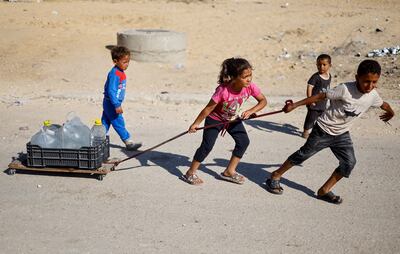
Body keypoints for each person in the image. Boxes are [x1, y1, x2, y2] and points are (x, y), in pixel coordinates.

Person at [265, 59, 394, 204]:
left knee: (349, 163)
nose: (370, 86)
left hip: (342, 134)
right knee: (302, 155)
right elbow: (321, 96)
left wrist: (391, 112)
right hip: (323, 130)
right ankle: (275, 175)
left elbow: (383, 104)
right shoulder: (345, 89)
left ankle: (324, 190)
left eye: (374, 82)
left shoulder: (373, 95)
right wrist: (295, 105)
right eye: (366, 81)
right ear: (357, 77)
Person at [182, 57, 267, 185]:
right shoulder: (223, 90)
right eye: (245, 77)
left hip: (233, 119)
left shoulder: (250, 87)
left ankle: (229, 171)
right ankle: (190, 173)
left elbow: (263, 101)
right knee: (207, 146)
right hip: (215, 120)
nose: (249, 79)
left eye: (250, 75)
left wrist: (251, 111)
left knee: (243, 142)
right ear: (234, 77)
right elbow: (208, 109)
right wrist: (196, 124)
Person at [101, 46, 142, 151]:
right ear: (115, 61)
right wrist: (116, 105)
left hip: (109, 102)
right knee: (118, 122)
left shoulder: (120, 72)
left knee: (105, 122)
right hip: (111, 103)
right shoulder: (115, 74)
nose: (127, 64)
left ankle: (97, 139)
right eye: (124, 62)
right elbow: (111, 91)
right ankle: (128, 141)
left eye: (128, 62)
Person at [302, 54, 332, 139]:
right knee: (310, 118)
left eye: (324, 65)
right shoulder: (315, 77)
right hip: (314, 103)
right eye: (319, 65)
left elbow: (327, 87)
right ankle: (306, 131)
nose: (321, 67)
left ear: (330, 65)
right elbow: (309, 87)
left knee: (322, 119)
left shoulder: (329, 76)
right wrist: (310, 100)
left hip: (323, 103)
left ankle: (318, 132)